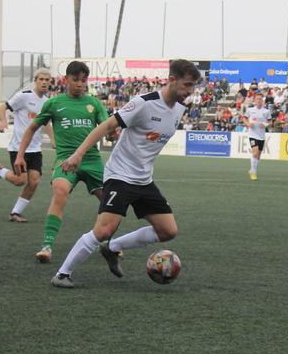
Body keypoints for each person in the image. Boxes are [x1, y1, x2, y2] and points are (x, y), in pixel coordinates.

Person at [49, 59, 201, 288]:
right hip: (120, 175)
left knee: (168, 230)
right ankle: (62, 274)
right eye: (187, 85)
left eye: (193, 87)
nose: (190, 91)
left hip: (144, 179)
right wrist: (78, 154)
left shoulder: (180, 108)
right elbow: (106, 126)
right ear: (171, 80)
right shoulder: (143, 103)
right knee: (104, 229)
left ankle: (112, 248)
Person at [14, 61, 110, 263]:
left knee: (110, 202)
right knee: (59, 192)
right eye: (75, 80)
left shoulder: (95, 104)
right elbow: (32, 128)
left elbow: (108, 127)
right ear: (66, 80)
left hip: (92, 161)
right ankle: (46, 247)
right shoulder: (54, 104)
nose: (80, 84)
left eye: (84, 80)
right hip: (66, 160)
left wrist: (115, 132)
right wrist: (20, 155)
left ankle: (110, 244)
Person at [0, 69, 54, 222]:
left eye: (47, 80)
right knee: (20, 181)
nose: (44, 82)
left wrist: (53, 140)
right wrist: (3, 121)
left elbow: (46, 123)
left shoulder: (47, 102)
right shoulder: (23, 96)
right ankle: (1, 172)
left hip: (35, 148)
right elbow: (1, 108)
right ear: (35, 80)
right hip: (19, 147)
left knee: (35, 181)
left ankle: (15, 213)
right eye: (41, 79)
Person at [242, 93, 270, 181]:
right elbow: (244, 118)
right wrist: (248, 124)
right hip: (252, 135)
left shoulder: (266, 111)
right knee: (255, 152)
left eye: (260, 99)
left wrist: (265, 125)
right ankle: (253, 172)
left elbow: (270, 121)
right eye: (257, 99)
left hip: (261, 136)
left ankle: (252, 170)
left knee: (258, 156)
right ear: (254, 100)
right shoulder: (250, 110)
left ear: (262, 101)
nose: (259, 101)